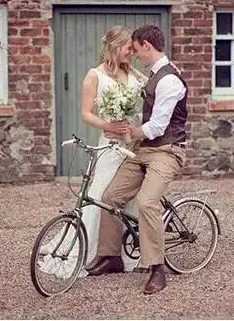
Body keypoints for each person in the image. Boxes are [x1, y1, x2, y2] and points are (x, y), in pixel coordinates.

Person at [87, 25, 188, 295]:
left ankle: (157, 268)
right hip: (145, 150)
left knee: (147, 202)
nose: (134, 54)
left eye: (136, 48)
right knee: (110, 197)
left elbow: (157, 127)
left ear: (146, 45)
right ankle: (111, 257)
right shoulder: (154, 74)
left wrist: (127, 132)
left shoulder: (169, 80)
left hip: (168, 151)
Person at [38, 26, 145, 278]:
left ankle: (128, 247)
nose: (131, 52)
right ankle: (92, 249)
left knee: (129, 194)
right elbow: (85, 114)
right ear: (115, 46)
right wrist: (109, 125)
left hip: (133, 142)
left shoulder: (132, 72)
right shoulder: (93, 76)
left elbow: (152, 87)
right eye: (128, 47)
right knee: (100, 195)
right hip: (110, 144)